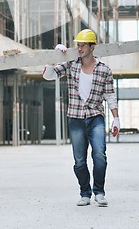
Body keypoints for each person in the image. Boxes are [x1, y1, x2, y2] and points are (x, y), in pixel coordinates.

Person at [43, 29, 120, 207]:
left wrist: (116, 119)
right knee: (79, 161)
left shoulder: (104, 70)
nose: (79, 48)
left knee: (99, 155)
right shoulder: (71, 64)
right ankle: (84, 192)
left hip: (95, 117)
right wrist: (54, 57)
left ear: (92, 47)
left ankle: (99, 192)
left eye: (83, 45)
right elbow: (49, 75)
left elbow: (110, 96)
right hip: (76, 118)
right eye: (78, 45)